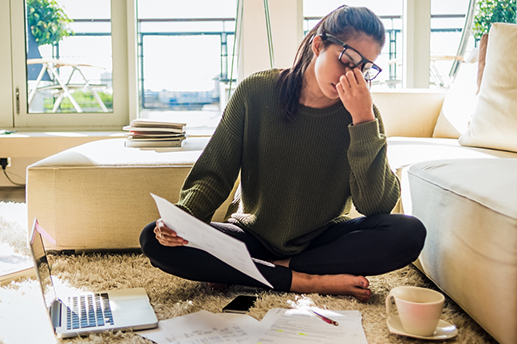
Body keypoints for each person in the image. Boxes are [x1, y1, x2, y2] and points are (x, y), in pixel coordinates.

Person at [140, 5, 426, 302]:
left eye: (364, 69)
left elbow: (376, 206)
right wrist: (183, 220)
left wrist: (364, 121)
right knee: (153, 239)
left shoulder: (362, 114)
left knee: (408, 233)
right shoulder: (255, 91)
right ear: (318, 45)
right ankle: (308, 281)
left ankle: (265, 272)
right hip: (252, 236)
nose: (351, 77)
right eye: (347, 60)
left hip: (321, 241)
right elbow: (214, 174)